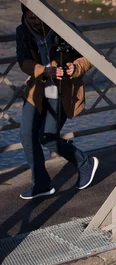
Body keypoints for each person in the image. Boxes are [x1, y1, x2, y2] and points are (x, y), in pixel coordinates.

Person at [16, 5, 98, 200]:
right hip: (37, 91)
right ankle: (41, 184)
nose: (35, 20)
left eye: (38, 16)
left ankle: (84, 162)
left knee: (47, 136)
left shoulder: (65, 27)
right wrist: (42, 71)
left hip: (63, 91)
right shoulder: (22, 31)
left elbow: (89, 55)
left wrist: (74, 67)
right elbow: (23, 62)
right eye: (30, 17)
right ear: (24, 15)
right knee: (26, 134)